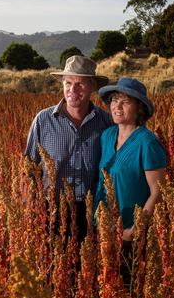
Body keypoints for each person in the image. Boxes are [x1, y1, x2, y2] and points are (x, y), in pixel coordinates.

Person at [24, 55, 113, 243]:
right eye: (68, 83)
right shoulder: (43, 120)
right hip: (51, 210)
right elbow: (30, 168)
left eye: (80, 84)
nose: (72, 90)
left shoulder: (106, 122)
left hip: (93, 212)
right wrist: (31, 209)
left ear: (92, 87)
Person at [94, 77, 167, 285]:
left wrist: (135, 228)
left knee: (127, 290)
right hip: (104, 227)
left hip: (129, 232)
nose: (117, 106)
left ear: (139, 108)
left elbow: (158, 192)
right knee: (105, 288)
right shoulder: (107, 135)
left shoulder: (148, 142)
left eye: (125, 101)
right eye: (115, 99)